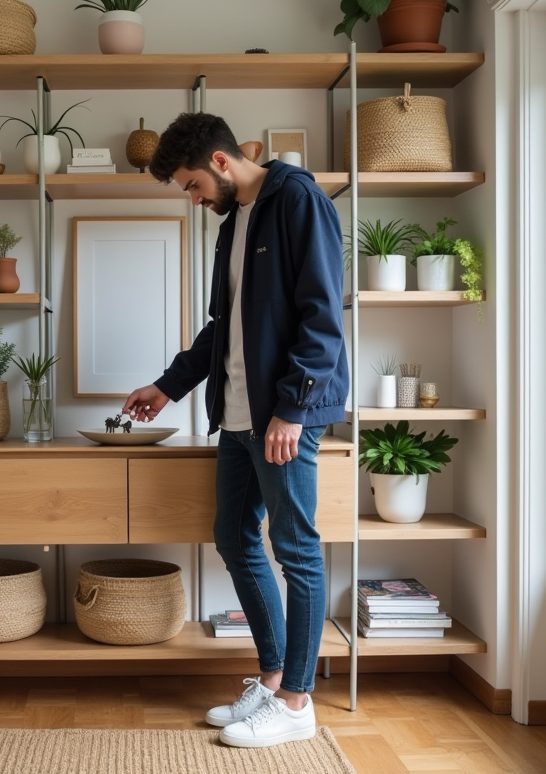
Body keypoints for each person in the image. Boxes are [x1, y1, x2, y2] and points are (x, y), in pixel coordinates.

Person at [123, 112, 348, 748]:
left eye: (193, 185)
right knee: (233, 537)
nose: (194, 200)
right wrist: (167, 386)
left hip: (284, 415)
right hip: (240, 414)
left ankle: (297, 702)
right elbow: (221, 329)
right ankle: (273, 680)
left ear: (220, 162)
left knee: (296, 550)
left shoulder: (298, 200)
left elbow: (322, 316)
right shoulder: (234, 224)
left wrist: (293, 409)